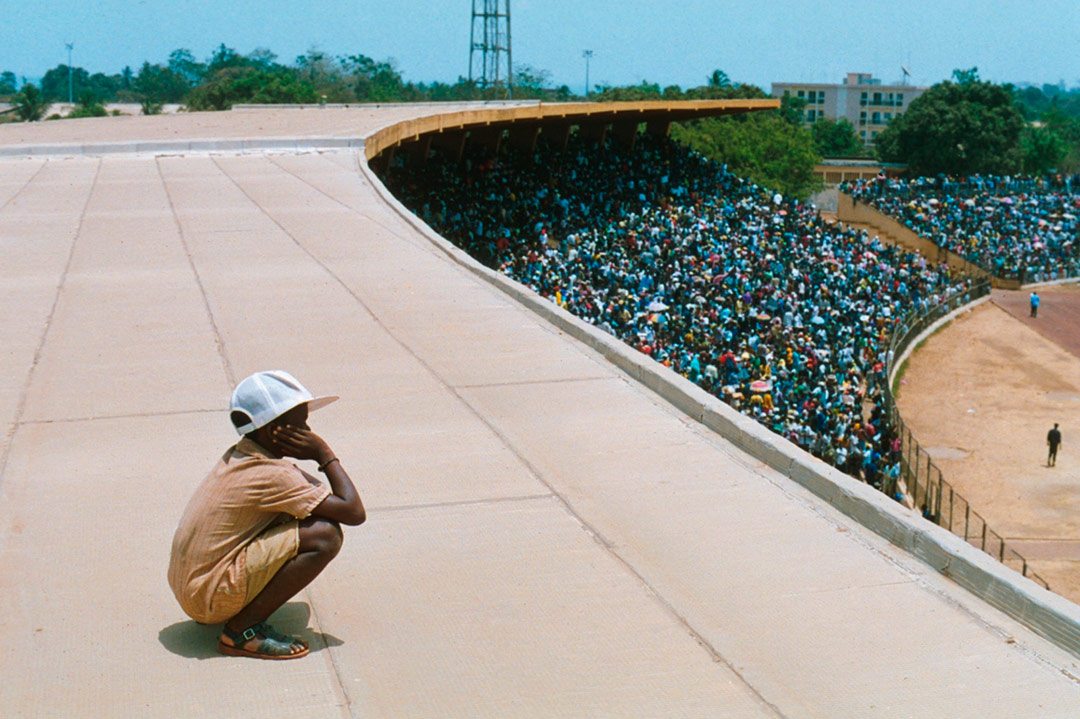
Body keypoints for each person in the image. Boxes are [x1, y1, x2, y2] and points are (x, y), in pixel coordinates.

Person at [168, 370, 366, 660]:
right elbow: (353, 511)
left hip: (193, 589)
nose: (308, 432)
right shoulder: (273, 475)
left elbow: (322, 498)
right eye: (301, 424)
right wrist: (324, 454)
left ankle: (232, 607)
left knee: (298, 516)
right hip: (207, 598)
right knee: (324, 535)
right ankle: (240, 632)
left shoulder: (242, 456)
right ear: (274, 429)